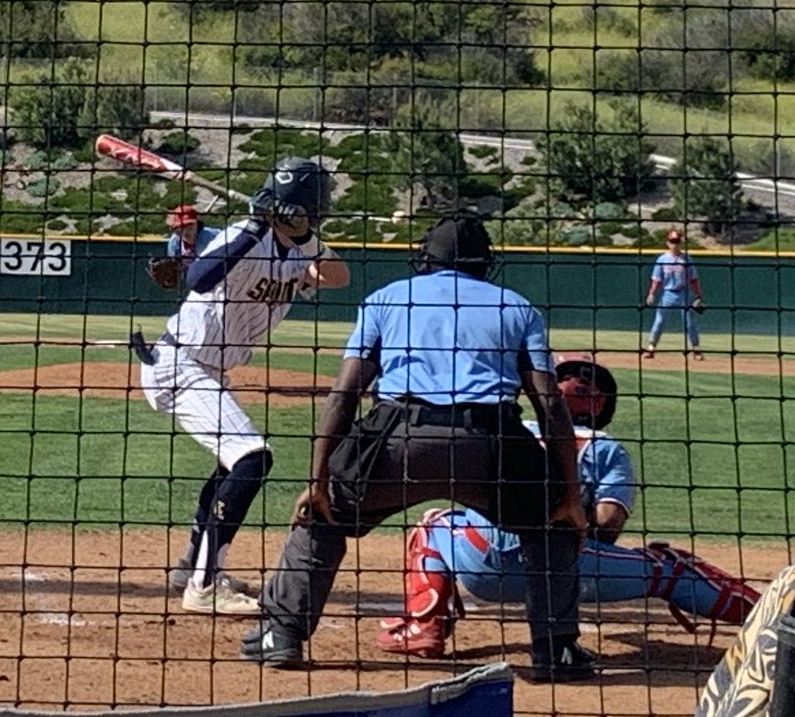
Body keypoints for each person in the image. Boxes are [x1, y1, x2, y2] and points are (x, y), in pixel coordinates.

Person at [241, 212, 594, 683]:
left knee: (323, 515)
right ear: (483, 260)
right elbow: (550, 405)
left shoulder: (387, 298)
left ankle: (281, 634)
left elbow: (345, 395)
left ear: (426, 258)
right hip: (491, 445)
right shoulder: (516, 307)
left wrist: (319, 481)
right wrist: (568, 495)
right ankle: (557, 651)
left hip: (398, 441)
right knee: (552, 521)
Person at [376, 353, 758, 658]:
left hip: (479, 567)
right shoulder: (606, 448)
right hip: (562, 570)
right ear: (602, 403)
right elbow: (607, 526)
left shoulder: (508, 430)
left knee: (435, 524)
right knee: (670, 568)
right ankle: (769, 618)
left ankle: (424, 625)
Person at [133, 157, 351, 615]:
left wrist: (303, 236)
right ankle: (204, 586)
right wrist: (255, 226)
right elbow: (198, 278)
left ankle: (193, 563)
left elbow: (339, 276)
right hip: (180, 363)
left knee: (233, 463)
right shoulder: (241, 237)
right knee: (253, 458)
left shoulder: (301, 254)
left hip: (209, 370)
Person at [644, 229, 706, 360]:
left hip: (684, 293)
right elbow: (656, 279)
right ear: (667, 243)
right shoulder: (662, 259)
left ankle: (696, 350)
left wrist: (699, 295)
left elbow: (694, 279)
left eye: (677, 241)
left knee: (689, 323)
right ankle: (651, 348)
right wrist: (651, 293)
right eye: (672, 241)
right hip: (667, 294)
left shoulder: (687, 259)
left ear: (680, 243)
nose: (674, 244)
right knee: (659, 321)